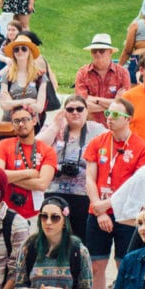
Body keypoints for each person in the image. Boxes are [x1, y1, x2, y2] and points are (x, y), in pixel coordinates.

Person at [82, 99, 145, 289]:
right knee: (96, 264)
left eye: (115, 115)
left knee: (125, 266)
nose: (109, 118)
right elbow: (90, 179)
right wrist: (99, 209)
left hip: (127, 216)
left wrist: (109, 205)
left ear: (128, 119)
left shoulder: (142, 148)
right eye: (107, 114)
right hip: (98, 211)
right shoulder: (98, 142)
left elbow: (135, 186)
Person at [37, 94, 103, 236]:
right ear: (64, 112)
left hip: (83, 194)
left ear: (87, 110)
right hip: (54, 190)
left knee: (80, 236)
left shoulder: (96, 130)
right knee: (52, 236)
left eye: (79, 109)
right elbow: (37, 147)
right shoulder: (53, 127)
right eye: (70, 109)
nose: (75, 112)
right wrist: (55, 126)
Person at [0, 103, 55, 218]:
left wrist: (8, 178)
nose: (20, 124)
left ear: (34, 121)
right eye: (16, 121)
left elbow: (42, 184)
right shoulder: (4, 145)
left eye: (25, 120)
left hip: (34, 214)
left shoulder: (47, 150)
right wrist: (29, 173)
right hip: (4, 212)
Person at [72, 33, 131, 122]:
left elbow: (124, 106)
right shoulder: (83, 73)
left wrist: (94, 100)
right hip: (89, 124)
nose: (97, 53)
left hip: (115, 125)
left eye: (101, 50)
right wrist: (114, 103)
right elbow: (81, 104)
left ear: (110, 52)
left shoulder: (123, 73)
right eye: (94, 51)